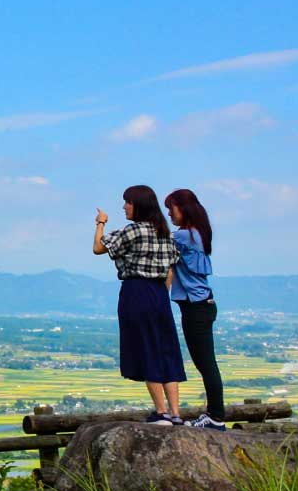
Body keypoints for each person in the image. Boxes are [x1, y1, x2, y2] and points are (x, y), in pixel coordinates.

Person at [93, 184, 186, 423]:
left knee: (146, 349)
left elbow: (98, 248)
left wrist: (101, 222)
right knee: (166, 349)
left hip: (136, 291)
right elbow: (170, 271)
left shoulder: (133, 231)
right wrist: (160, 294)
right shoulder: (165, 233)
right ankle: (176, 413)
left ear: (139, 205)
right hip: (159, 295)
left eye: (128, 202)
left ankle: (161, 412)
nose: (124, 207)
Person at [165, 187, 225, 429]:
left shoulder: (183, 236)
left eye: (171, 208)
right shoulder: (198, 233)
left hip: (196, 307)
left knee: (206, 364)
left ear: (183, 208)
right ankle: (214, 415)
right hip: (202, 305)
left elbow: (157, 241)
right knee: (205, 363)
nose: (169, 213)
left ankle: (216, 417)